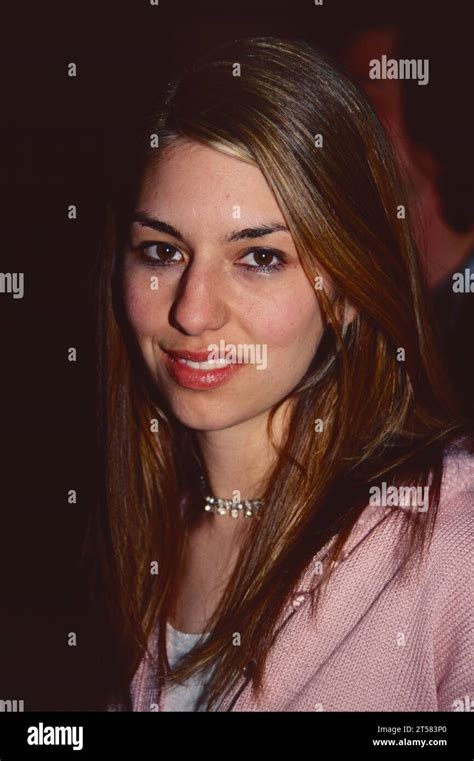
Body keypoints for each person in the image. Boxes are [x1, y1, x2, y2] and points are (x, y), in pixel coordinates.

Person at [86, 35, 474, 712]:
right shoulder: (139, 534)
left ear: (351, 287)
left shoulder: (452, 541)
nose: (193, 309)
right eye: (162, 250)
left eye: (259, 258)